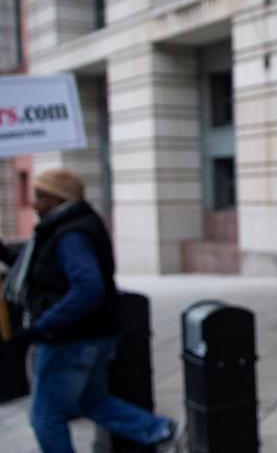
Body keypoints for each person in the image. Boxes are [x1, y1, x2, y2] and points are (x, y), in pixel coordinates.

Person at [0, 169, 182, 452]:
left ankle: (158, 430)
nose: (34, 204)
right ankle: (159, 429)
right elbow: (42, 272)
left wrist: (42, 326)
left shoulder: (70, 233)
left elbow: (88, 288)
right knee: (90, 401)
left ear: (57, 198)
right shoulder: (66, 226)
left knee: (46, 417)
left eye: (40, 196)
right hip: (91, 334)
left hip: (70, 339)